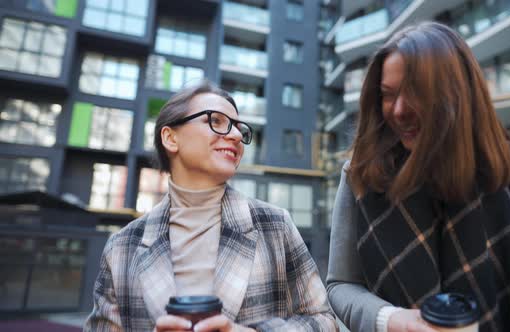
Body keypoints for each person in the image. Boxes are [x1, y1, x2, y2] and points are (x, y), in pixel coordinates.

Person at [327, 21, 510, 332]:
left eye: (415, 93)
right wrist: (391, 320)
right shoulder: (361, 174)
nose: (398, 110)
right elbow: (340, 285)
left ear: (457, 92)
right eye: (387, 95)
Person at [85, 81, 337, 332]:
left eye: (240, 129)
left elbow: (324, 321)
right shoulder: (122, 247)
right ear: (170, 138)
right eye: (215, 121)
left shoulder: (275, 225)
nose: (237, 136)